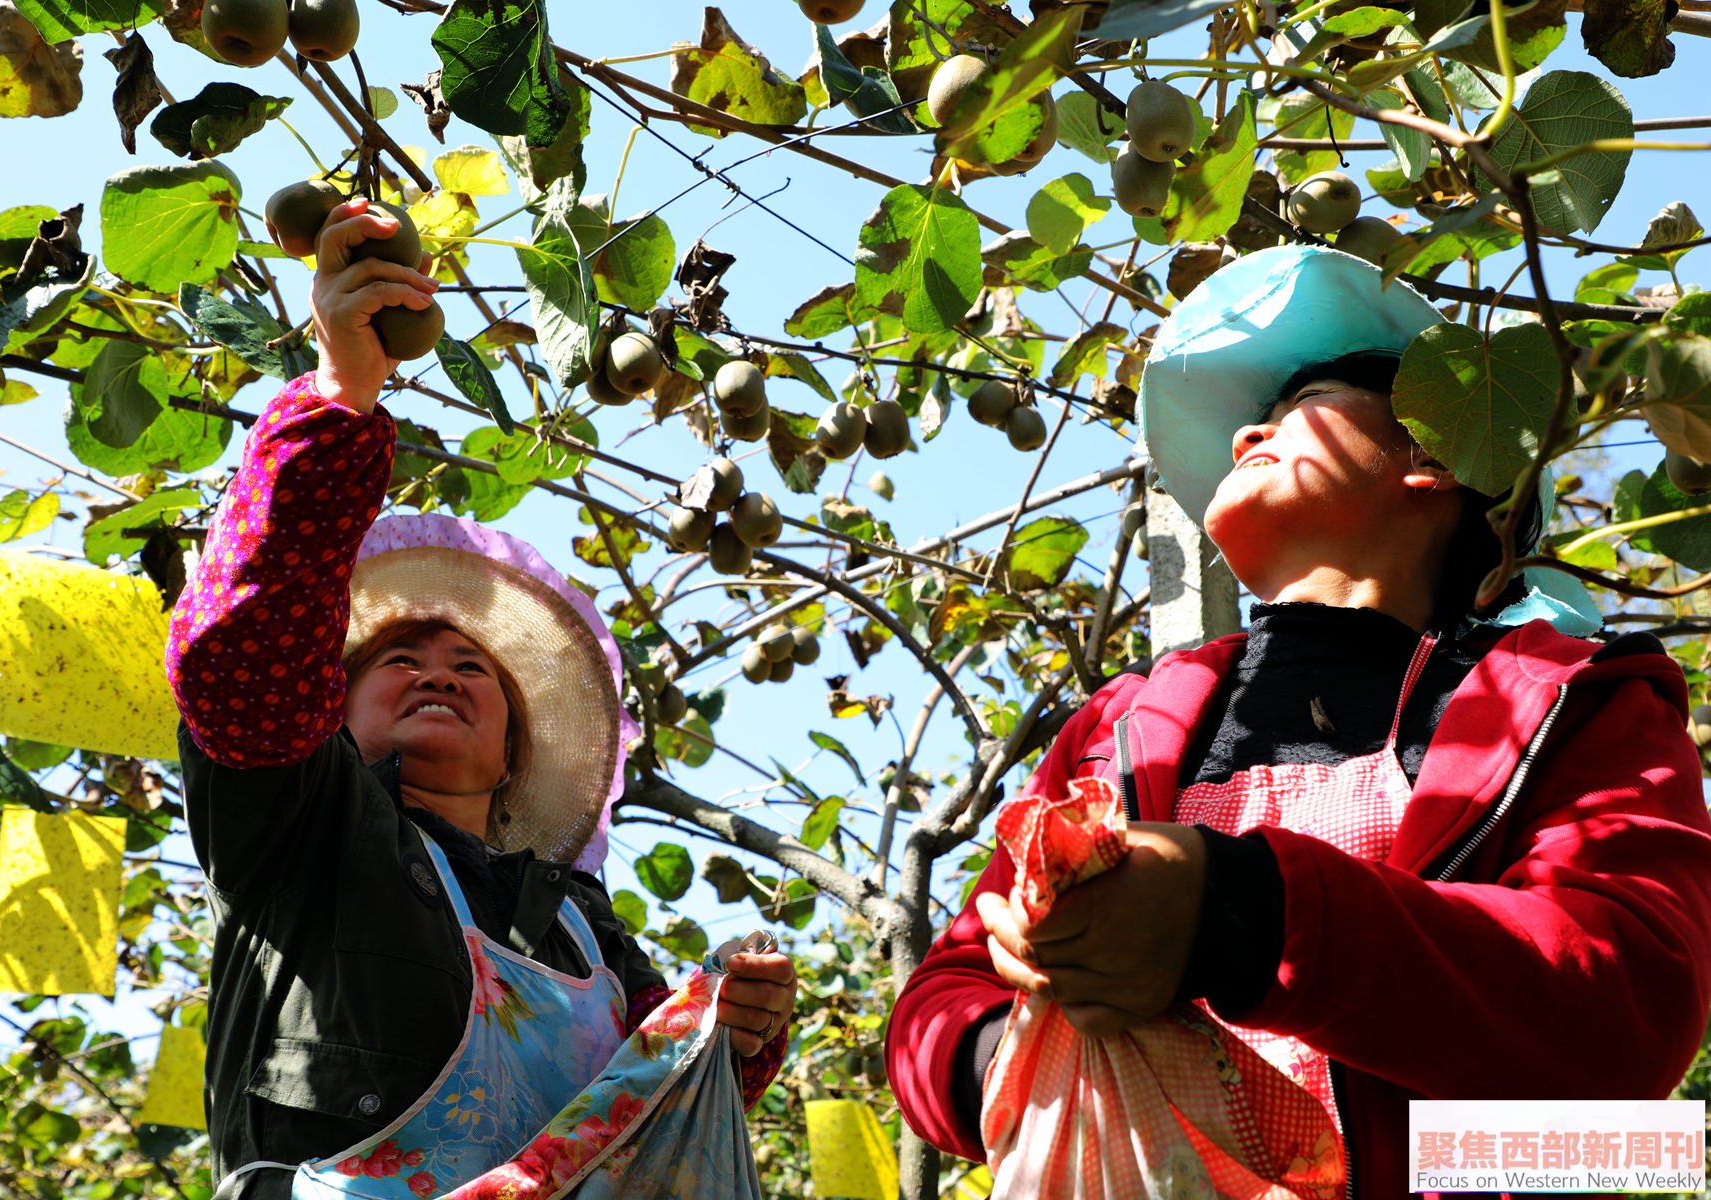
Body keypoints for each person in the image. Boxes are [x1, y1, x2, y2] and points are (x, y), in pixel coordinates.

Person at [885, 244, 1711, 1196]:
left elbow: (1626, 1028)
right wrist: (1024, 1050)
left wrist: (1241, 913)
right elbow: (938, 1004)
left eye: (1298, 404)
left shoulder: (1573, 699)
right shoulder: (1115, 726)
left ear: (1432, 457)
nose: (1246, 436)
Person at [168, 197, 797, 1200]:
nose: (438, 672)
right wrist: (341, 394)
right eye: (398, 658)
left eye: (472, 669)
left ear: (514, 750)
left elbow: (648, 1119)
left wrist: (735, 1029)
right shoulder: (301, 830)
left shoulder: (585, 926)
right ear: (326, 706)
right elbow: (243, 656)